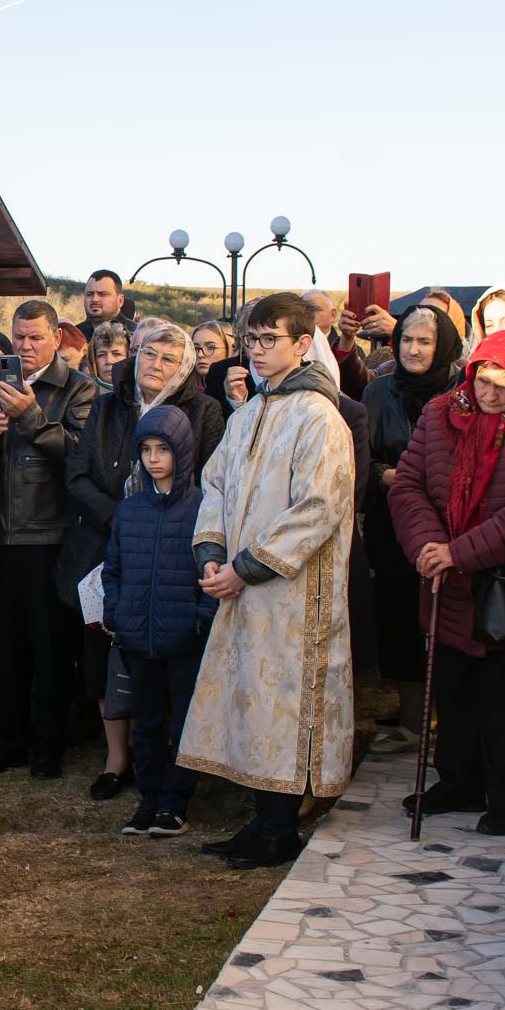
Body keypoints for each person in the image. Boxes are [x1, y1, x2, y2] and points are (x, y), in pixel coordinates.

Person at [177, 292, 355, 870]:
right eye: (249, 339)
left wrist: (246, 566)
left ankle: (281, 828)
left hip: (292, 592)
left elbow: (318, 506)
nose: (255, 350)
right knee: (251, 702)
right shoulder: (250, 413)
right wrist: (211, 552)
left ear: (303, 344)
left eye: (268, 339)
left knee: (285, 703)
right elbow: (217, 483)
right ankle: (260, 821)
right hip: (240, 586)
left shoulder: (318, 416)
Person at [387, 330, 505, 832]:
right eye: (481, 381)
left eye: (502, 384)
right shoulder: (440, 413)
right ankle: (458, 783)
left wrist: (459, 553)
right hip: (446, 581)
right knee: (454, 692)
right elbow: (408, 485)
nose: (490, 394)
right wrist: (431, 549)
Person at [62, 320, 224, 799]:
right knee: (104, 655)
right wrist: (123, 521)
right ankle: (117, 759)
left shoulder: (205, 410)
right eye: (150, 354)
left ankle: (166, 760)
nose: (156, 365)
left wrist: (156, 526)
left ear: (187, 367)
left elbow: (211, 480)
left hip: (176, 548)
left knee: (168, 660)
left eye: (169, 359)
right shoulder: (110, 405)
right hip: (106, 541)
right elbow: (78, 474)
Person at [0, 299, 97, 778]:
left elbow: (82, 457)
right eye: (19, 337)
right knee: (2, 646)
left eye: (35, 337)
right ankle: (6, 743)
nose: (24, 346)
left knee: (49, 650)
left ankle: (47, 748)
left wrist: (30, 418)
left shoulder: (79, 389)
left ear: (57, 338)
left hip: (49, 536)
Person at [101, 405, 215, 837]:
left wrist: (199, 618)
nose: (153, 458)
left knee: (183, 721)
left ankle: (176, 801)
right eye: (146, 449)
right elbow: (113, 569)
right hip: (136, 638)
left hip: (183, 637)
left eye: (163, 449)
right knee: (145, 721)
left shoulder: (202, 507)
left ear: (181, 451)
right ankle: (149, 798)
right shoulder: (129, 511)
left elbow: (211, 568)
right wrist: (116, 613)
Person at [358, 303, 463, 753]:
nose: (413, 349)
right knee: (398, 615)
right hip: (392, 514)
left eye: (424, 342)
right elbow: (365, 452)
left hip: (449, 518)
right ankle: (412, 722)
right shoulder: (379, 392)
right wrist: (386, 474)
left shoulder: (462, 388)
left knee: (448, 616)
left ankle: (450, 716)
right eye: (406, 340)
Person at [306, 289, 370, 400]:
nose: (307, 315)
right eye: (302, 310)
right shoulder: (292, 348)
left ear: (333, 314)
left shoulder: (351, 351)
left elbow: (356, 389)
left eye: (313, 309)